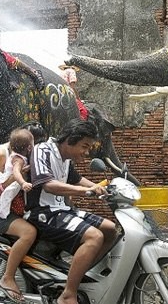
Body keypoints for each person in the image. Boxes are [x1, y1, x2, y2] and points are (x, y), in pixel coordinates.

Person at [25, 119, 117, 304]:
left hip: (62, 211)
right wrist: (86, 191)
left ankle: (78, 276)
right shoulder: (42, 150)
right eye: (84, 146)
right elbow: (48, 185)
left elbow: (77, 179)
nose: (86, 152)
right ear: (70, 139)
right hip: (42, 213)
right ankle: (68, 294)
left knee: (110, 229)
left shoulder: (64, 158)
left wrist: (106, 189)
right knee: (94, 237)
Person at [0, 123, 45, 303]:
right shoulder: (1, 155)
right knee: (28, 233)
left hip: (13, 208)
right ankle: (7, 278)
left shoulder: (25, 155)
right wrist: (18, 177)